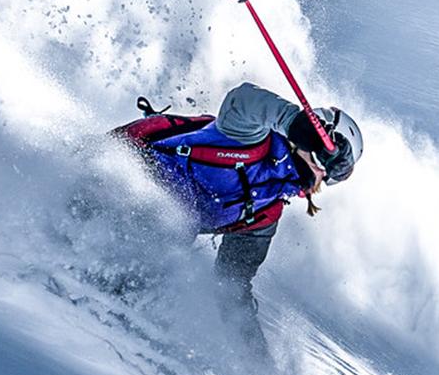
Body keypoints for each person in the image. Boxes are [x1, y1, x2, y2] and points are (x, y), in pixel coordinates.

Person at [114, 81, 362, 349]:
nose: (326, 174)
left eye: (339, 173)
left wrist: (253, 358)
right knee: (175, 223)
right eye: (332, 159)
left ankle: (129, 305)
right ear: (317, 134)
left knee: (179, 257)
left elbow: (232, 286)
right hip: (120, 171)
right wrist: (294, 122)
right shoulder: (249, 135)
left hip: (140, 235)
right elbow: (243, 99)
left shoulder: (265, 213)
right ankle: (117, 285)